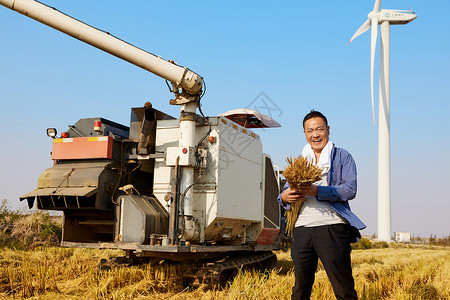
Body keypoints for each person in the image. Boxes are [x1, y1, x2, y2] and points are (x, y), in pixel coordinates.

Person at [278, 110, 366, 300]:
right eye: (310, 130)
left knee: (343, 288)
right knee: (300, 289)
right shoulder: (300, 161)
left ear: (328, 130)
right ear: (304, 133)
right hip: (301, 229)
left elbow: (350, 189)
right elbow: (282, 196)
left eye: (319, 129)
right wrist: (285, 196)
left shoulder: (343, 156)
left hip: (332, 226)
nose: (315, 134)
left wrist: (318, 191)